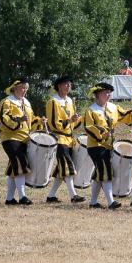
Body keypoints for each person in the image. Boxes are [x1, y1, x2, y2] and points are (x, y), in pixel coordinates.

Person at [0, 78, 43, 205]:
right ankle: (23, 197)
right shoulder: (7, 101)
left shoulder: (27, 102)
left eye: (26, 88)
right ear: (15, 88)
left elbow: (30, 121)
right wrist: (18, 120)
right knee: (20, 164)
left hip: (25, 139)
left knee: (14, 169)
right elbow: (3, 118)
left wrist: (39, 121)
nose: (25, 90)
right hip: (11, 138)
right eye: (23, 87)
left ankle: (9, 199)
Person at [82, 82, 122, 209]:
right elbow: (89, 127)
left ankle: (93, 202)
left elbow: (124, 115)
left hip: (109, 145)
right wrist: (102, 134)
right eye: (105, 92)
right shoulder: (91, 110)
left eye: (109, 92)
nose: (108, 95)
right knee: (106, 171)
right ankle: (111, 202)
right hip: (96, 145)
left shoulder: (112, 107)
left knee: (100, 174)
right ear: (97, 95)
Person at [44, 75, 84, 204]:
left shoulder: (70, 101)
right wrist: (69, 121)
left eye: (69, 84)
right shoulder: (53, 102)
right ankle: (73, 195)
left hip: (69, 139)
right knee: (67, 166)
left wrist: (77, 119)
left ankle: (51, 196)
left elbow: (73, 124)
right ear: (59, 86)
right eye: (66, 84)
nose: (69, 86)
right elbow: (53, 124)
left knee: (62, 170)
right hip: (59, 138)